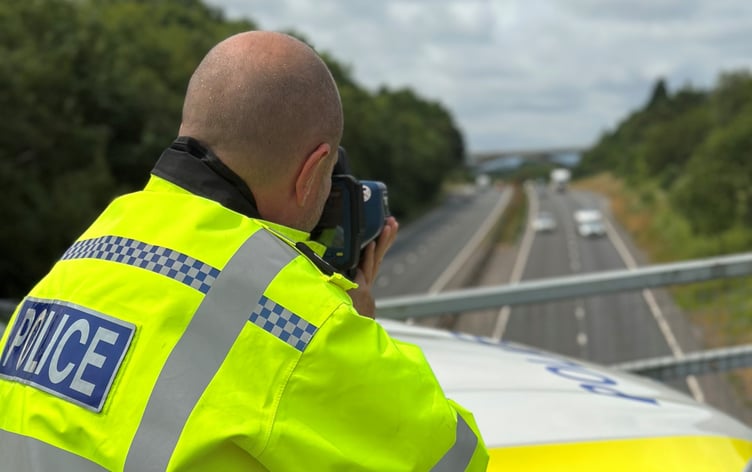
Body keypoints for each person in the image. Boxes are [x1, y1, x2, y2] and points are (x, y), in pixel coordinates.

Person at [0, 31, 488, 471]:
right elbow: (454, 457)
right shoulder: (302, 325)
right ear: (315, 171)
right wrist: (354, 328)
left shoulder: (94, 246)